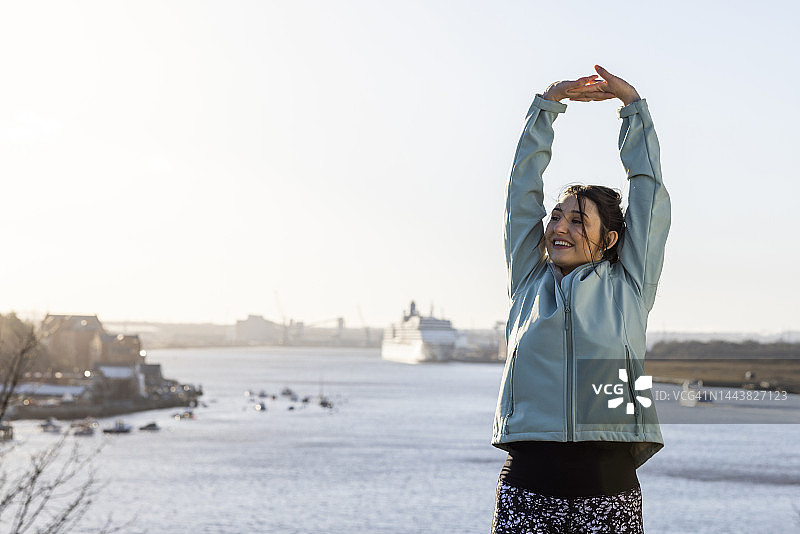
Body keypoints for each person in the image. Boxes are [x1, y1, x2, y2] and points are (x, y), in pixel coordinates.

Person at [490, 65, 670, 534]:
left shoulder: (628, 285)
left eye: (576, 220)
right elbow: (519, 195)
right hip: (528, 485)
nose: (559, 228)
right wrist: (546, 109)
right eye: (556, 217)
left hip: (609, 487)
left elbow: (649, 193)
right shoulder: (529, 281)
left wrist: (633, 110)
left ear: (608, 239)